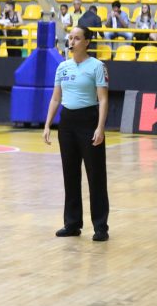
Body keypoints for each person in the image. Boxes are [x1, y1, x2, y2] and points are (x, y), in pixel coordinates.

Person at [43, 25, 110, 242]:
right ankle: (72, 224)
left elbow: (103, 99)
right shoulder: (62, 67)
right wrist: (47, 124)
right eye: (70, 38)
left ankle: (100, 226)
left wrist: (100, 127)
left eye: (77, 38)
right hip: (67, 123)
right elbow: (56, 98)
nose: (72, 41)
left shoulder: (97, 66)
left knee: (95, 175)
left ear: (87, 42)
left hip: (88, 121)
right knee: (70, 174)